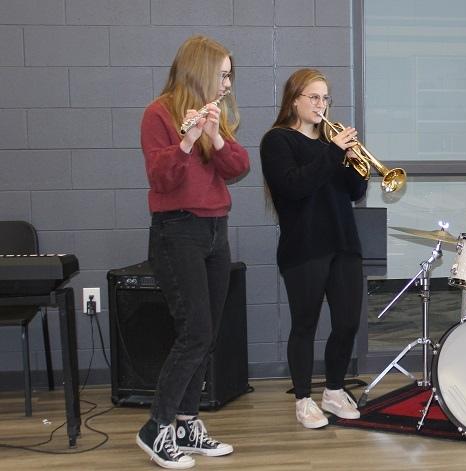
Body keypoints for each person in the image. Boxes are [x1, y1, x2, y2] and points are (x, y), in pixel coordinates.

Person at [137, 35, 248, 469]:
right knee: (195, 332)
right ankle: (156, 426)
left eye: (230, 76)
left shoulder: (214, 113)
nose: (227, 84)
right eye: (223, 75)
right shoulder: (158, 113)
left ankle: (186, 423)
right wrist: (186, 141)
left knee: (208, 332)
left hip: (216, 231)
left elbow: (238, 167)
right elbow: (161, 179)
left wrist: (215, 137)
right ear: (201, 71)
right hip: (177, 232)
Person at [260, 68, 368, 429]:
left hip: (343, 243)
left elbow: (354, 192)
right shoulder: (277, 141)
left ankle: (334, 391)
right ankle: (304, 399)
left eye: (325, 98)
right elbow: (295, 186)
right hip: (304, 246)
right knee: (305, 325)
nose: (322, 104)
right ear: (295, 101)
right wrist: (334, 153)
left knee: (348, 322)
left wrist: (355, 162)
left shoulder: (329, 146)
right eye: (314, 97)